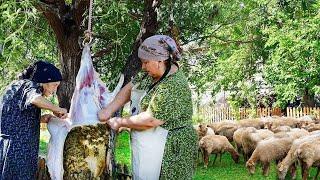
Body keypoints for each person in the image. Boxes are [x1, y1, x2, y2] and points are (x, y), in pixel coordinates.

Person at [98, 35, 198, 179]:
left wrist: (120, 122)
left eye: (145, 62)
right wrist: (109, 110)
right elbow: (129, 88)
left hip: (169, 150)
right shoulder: (149, 74)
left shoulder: (173, 86)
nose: (143, 67)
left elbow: (150, 120)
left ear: (160, 60)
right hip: (147, 144)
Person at [0, 60, 68, 179]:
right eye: (55, 85)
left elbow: (16, 116)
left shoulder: (17, 86)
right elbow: (35, 99)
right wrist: (57, 109)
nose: (55, 90)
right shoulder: (29, 85)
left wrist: (41, 118)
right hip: (18, 152)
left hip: (9, 147)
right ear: (45, 81)